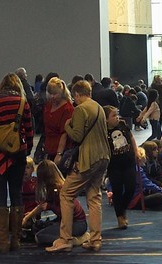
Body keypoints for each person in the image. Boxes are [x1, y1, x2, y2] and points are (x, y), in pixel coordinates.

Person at [46, 78, 109, 253]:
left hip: (88, 159)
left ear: (76, 94)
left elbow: (77, 136)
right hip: (103, 157)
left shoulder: (81, 109)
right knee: (94, 197)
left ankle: (65, 238)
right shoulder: (98, 107)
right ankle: (95, 239)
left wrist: (67, 126)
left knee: (66, 194)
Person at [0, 73, 35, 253]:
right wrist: (26, 148)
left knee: (0, 197)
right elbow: (29, 129)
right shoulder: (23, 102)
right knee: (17, 194)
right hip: (18, 155)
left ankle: (3, 242)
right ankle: (15, 241)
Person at [23, 160, 86, 247]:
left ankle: (74, 240)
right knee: (41, 227)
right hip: (71, 222)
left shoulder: (59, 189)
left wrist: (50, 206)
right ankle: (70, 237)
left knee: (40, 236)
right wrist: (27, 217)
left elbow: (67, 212)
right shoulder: (53, 187)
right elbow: (42, 205)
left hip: (76, 223)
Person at [102, 104, 138, 232]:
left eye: (117, 114)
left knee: (130, 187)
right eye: (113, 116)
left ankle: (123, 209)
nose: (117, 117)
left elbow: (131, 137)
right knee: (117, 190)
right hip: (114, 165)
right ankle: (120, 217)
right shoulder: (103, 131)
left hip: (129, 161)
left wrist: (136, 151)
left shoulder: (122, 124)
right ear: (106, 119)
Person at [38, 76, 73, 161]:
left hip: (62, 150)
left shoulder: (67, 109)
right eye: (50, 94)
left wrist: (59, 154)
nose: (52, 96)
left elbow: (64, 134)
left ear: (61, 92)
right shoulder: (48, 105)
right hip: (48, 148)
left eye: (55, 94)